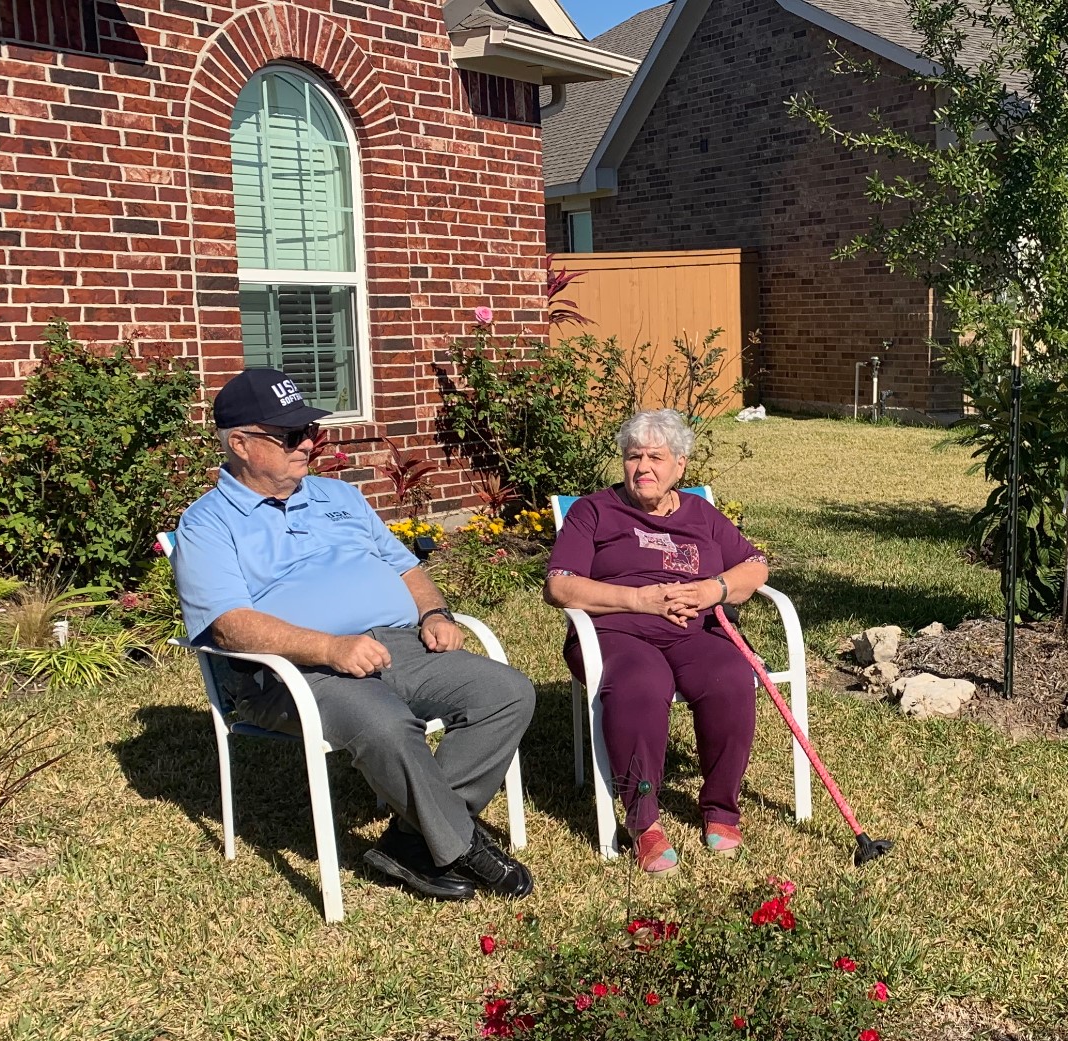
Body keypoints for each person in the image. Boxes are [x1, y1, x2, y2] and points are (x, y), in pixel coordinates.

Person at [172, 368, 535, 902]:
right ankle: (461, 847)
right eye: (290, 436)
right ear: (242, 444)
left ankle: (413, 841)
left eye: (310, 432)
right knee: (386, 725)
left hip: (395, 643)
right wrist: (331, 648)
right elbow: (230, 626)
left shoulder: (337, 496)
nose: (307, 445)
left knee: (506, 692)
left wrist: (436, 613)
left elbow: (405, 566)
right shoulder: (206, 525)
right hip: (293, 670)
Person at [545, 409, 769, 874]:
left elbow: (754, 566)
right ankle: (644, 821)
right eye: (633, 457)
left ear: (680, 465)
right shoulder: (594, 511)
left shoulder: (700, 513)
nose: (643, 467)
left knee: (730, 676)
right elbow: (561, 585)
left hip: (693, 629)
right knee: (640, 685)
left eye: (656, 457)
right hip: (614, 630)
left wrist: (714, 590)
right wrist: (638, 600)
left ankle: (721, 808)